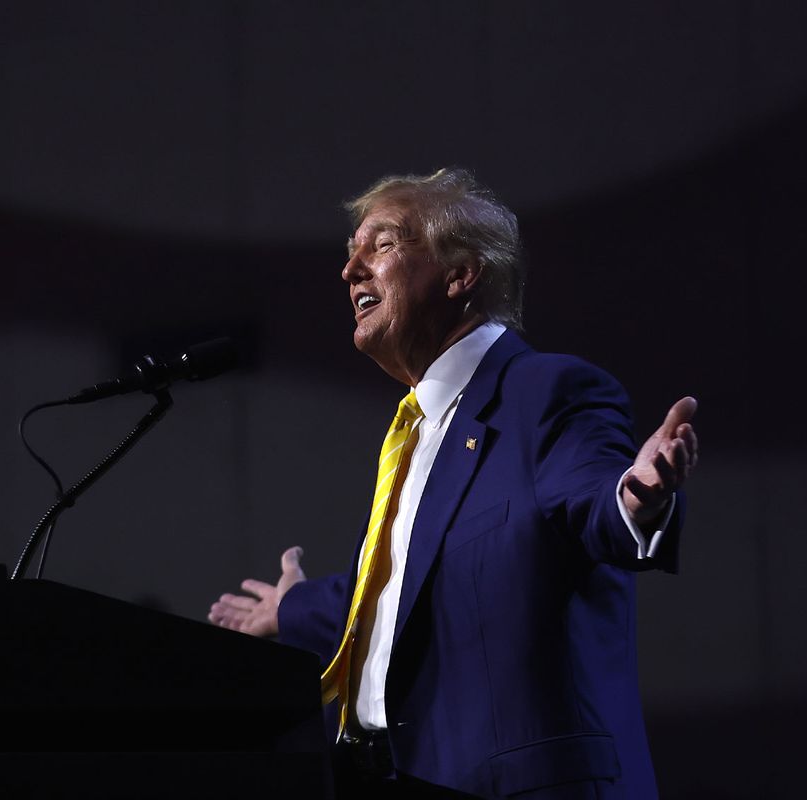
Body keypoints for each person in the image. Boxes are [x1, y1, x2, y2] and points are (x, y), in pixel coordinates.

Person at [208, 169, 697, 799]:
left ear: (459, 274)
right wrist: (292, 608)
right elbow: (413, 582)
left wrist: (636, 496)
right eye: (351, 252)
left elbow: (593, 497)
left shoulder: (546, 390)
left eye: (381, 246)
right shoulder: (416, 430)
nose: (350, 270)